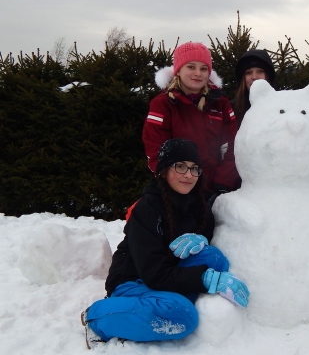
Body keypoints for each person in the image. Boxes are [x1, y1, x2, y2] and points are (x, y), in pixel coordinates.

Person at [80, 138, 250, 349]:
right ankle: (98, 317)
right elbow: (153, 273)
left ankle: (164, 304)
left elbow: (204, 232)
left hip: (166, 275)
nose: (189, 175)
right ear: (163, 170)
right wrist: (205, 278)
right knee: (183, 316)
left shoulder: (197, 205)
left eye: (194, 168)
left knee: (213, 257)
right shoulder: (147, 209)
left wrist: (201, 239)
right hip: (134, 281)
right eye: (180, 166)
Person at [143, 42, 239, 200]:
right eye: (191, 67)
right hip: (179, 190)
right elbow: (155, 148)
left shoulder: (220, 103)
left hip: (217, 189)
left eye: (203, 68)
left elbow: (233, 146)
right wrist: (175, 184)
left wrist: (222, 184)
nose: (198, 73)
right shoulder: (163, 104)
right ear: (178, 70)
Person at [231, 49, 275, 128]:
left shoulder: (280, 107)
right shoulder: (231, 109)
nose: (254, 77)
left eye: (260, 71)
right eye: (248, 73)